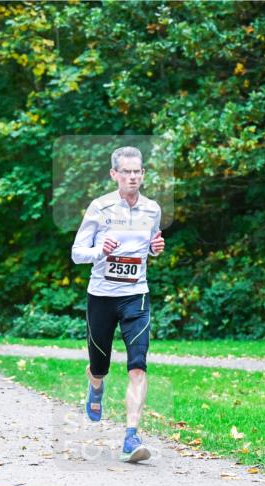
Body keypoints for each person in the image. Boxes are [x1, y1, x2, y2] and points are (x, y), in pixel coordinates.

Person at [71, 146, 165, 464]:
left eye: (137, 171)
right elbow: (77, 252)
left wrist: (155, 248)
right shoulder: (100, 207)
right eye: (126, 171)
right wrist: (100, 249)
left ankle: (131, 437)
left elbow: (150, 245)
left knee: (137, 366)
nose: (133, 176)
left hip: (136, 295)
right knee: (100, 365)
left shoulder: (152, 209)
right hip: (101, 296)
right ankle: (95, 384)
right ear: (114, 174)